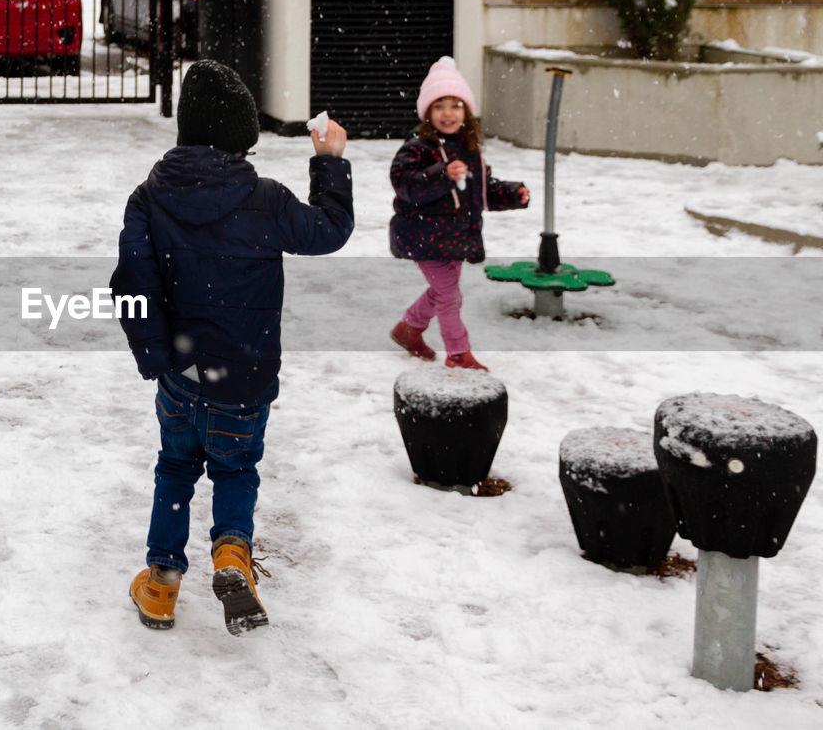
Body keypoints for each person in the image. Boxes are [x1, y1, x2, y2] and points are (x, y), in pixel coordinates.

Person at [110, 60, 352, 635]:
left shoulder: (149, 198)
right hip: (243, 377)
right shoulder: (264, 199)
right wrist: (329, 163)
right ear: (243, 133)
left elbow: (133, 283)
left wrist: (156, 357)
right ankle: (232, 555)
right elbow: (328, 231)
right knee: (236, 469)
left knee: (175, 467)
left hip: (182, 374)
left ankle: (162, 583)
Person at [389, 56, 529, 372]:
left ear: (467, 111)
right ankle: (458, 354)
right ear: (427, 112)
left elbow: (481, 188)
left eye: (456, 105)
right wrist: (441, 175)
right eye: (439, 106)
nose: (448, 113)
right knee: (449, 296)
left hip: (455, 236)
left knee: (442, 290)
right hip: (423, 234)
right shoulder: (419, 146)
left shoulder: (468, 147)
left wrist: (511, 193)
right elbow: (404, 183)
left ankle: (409, 329)